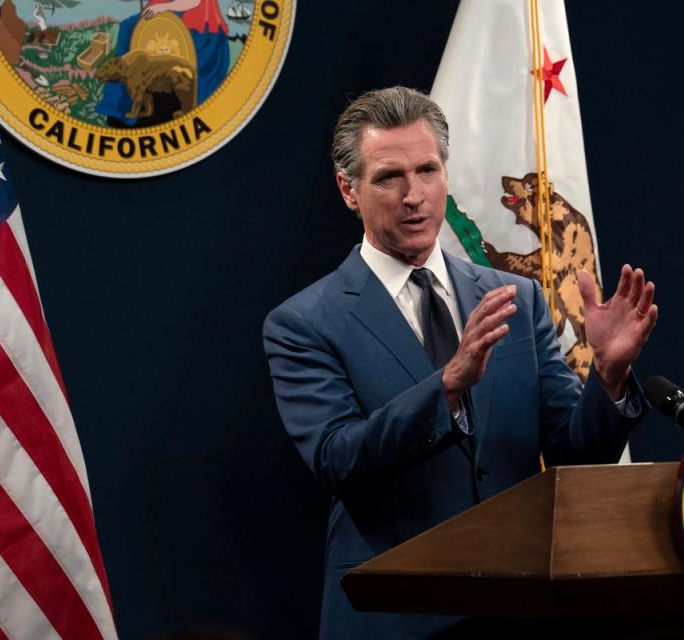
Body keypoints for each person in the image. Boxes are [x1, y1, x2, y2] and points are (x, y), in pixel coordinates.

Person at [263, 86, 659, 639]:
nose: (414, 195)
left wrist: (609, 376)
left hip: (517, 606)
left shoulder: (515, 299)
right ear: (348, 191)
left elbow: (573, 453)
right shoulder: (304, 322)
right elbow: (338, 459)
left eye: (427, 170)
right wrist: (447, 387)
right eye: (388, 177)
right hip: (392, 613)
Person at [96, 0, 230, 126]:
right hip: (163, 8)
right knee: (128, 26)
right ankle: (119, 106)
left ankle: (189, 110)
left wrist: (163, 7)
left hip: (192, 15)